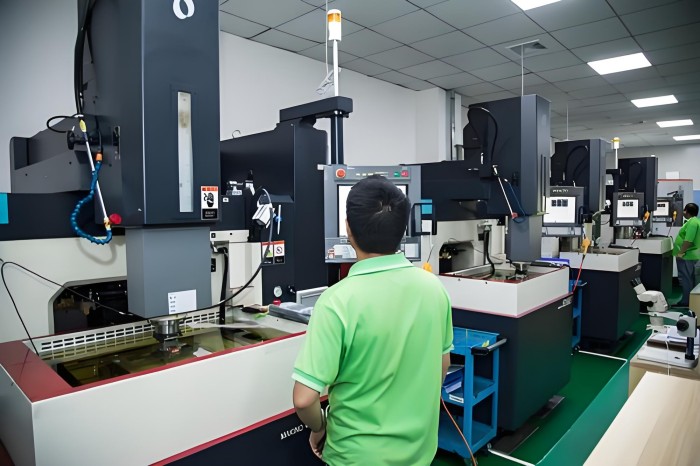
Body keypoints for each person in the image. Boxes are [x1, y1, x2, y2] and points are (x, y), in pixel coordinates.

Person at [291, 175, 453, 465]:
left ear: (348, 228)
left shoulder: (336, 301)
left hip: (356, 456)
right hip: (419, 452)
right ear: (403, 229)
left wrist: (320, 426)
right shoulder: (433, 288)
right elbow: (442, 365)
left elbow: (304, 399)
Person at [673, 202, 700, 307]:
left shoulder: (692, 223)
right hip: (693, 255)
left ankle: (686, 301)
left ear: (686, 211)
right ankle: (691, 301)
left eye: (684, 210)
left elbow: (688, 240)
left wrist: (680, 253)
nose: (683, 212)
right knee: (690, 279)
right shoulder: (695, 221)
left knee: (686, 279)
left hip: (687, 256)